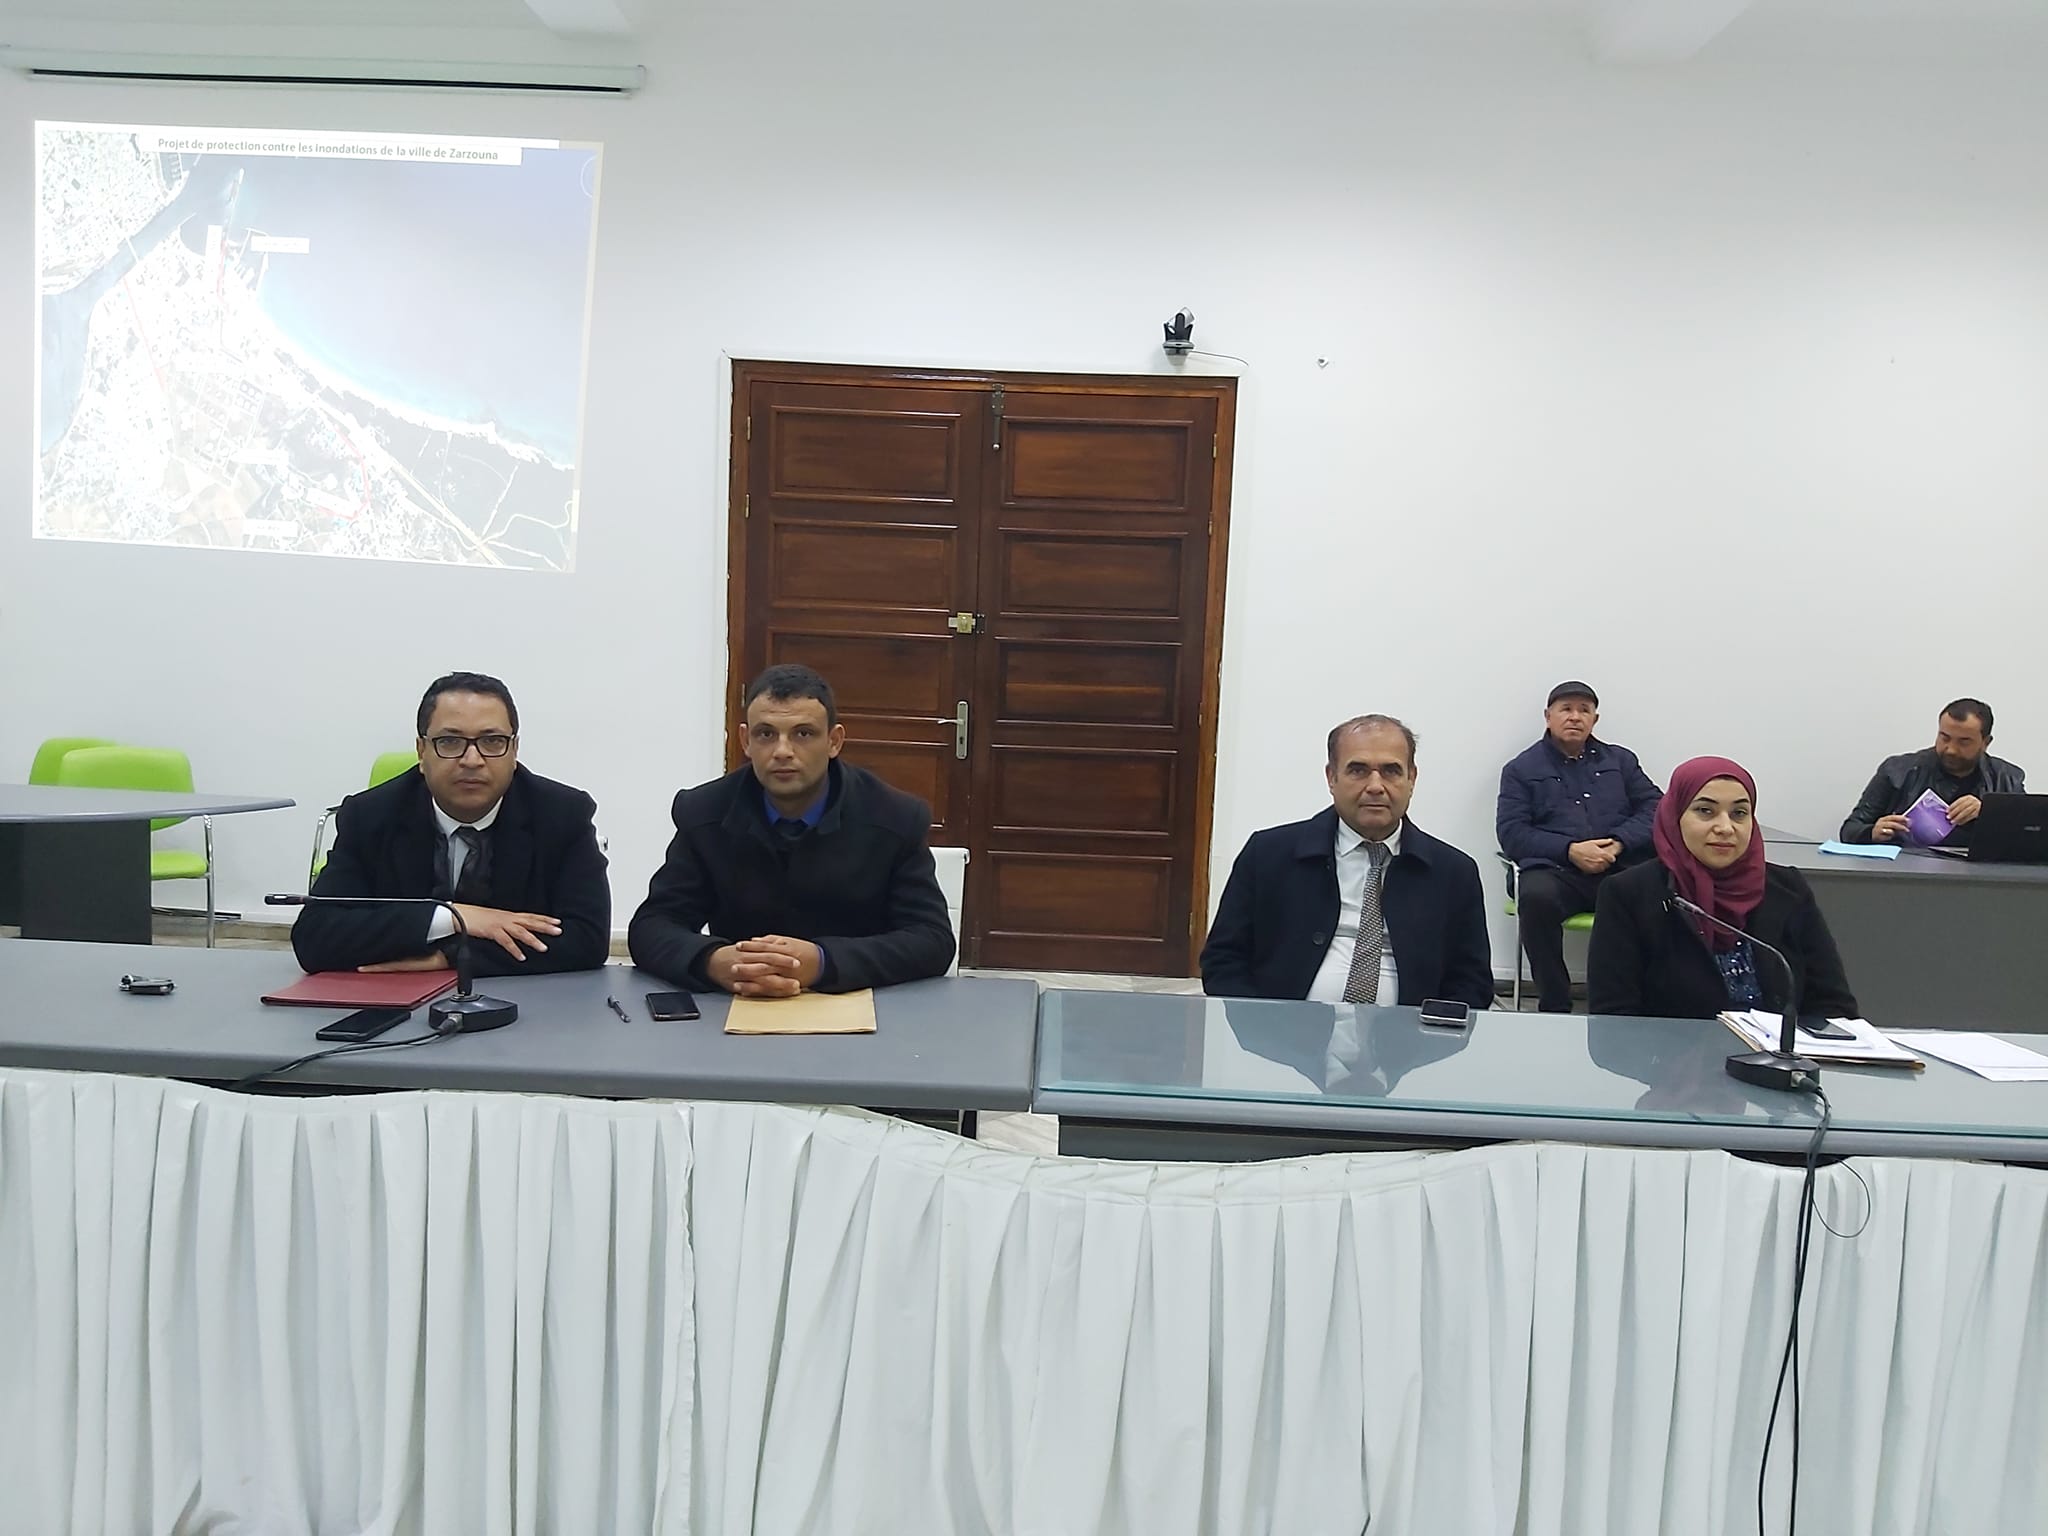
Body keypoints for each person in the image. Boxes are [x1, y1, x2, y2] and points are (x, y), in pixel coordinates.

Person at [628, 663, 954, 995]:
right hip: (739, 1003)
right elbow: (652, 926)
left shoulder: (895, 817)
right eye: (766, 734)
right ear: (745, 741)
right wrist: (713, 961)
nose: (782, 751)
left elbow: (932, 940)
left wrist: (823, 962)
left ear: (834, 742)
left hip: (859, 1004)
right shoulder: (703, 812)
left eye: (803, 734)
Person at [292, 671, 611, 976]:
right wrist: (452, 917)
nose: (472, 760)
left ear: (514, 750)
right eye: (449, 742)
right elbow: (314, 937)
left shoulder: (563, 815)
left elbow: (587, 939)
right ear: (422, 751)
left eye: (492, 741)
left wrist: (450, 956)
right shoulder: (370, 816)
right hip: (393, 1000)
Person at [1200, 714, 1494, 1009]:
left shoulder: (1454, 872)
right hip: (1283, 1031)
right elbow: (1224, 959)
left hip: (1409, 1033)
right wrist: (1260, 1022)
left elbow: (1471, 981)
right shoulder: (1267, 855)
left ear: (1412, 778)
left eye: (1391, 771)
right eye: (1358, 770)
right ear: (1332, 777)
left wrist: (1428, 1030)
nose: (1375, 786)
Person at [1588, 756, 1857, 1021]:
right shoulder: (1629, 894)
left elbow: (1833, 1005)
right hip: (1671, 1050)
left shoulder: (1787, 889)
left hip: (1778, 1049)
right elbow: (1613, 1019)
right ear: (1675, 816)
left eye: (1739, 814)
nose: (1725, 828)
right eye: (1706, 811)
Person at [1495, 680, 1663, 1012]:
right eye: (1566, 709)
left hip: (1618, 868)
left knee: (1663, 892)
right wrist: (1570, 850)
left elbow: (1657, 809)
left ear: (1594, 720)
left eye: (1584, 710)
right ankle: (1555, 1002)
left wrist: (1618, 844)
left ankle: (1635, 1001)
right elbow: (1512, 833)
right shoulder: (1521, 769)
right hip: (1557, 873)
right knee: (1535, 898)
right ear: (1548, 716)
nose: (1575, 717)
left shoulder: (1621, 761)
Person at [1840, 699, 2026, 849]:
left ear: (1986, 742)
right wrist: (1872, 833)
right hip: (1907, 873)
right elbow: (1850, 829)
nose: (1951, 749)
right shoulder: (1897, 771)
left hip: (1982, 878)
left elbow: (2029, 838)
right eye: (1944, 737)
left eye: (1963, 742)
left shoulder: (2007, 779)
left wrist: (1990, 812)